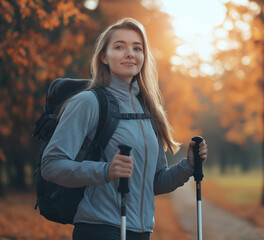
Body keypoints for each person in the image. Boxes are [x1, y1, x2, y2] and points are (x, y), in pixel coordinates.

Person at [41, 17, 208, 240]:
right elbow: (51, 165)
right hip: (99, 229)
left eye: (137, 48)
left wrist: (189, 166)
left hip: (141, 232)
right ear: (104, 57)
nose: (130, 53)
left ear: (143, 57)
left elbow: (154, 183)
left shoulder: (149, 110)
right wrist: (106, 171)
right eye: (119, 47)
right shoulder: (88, 102)